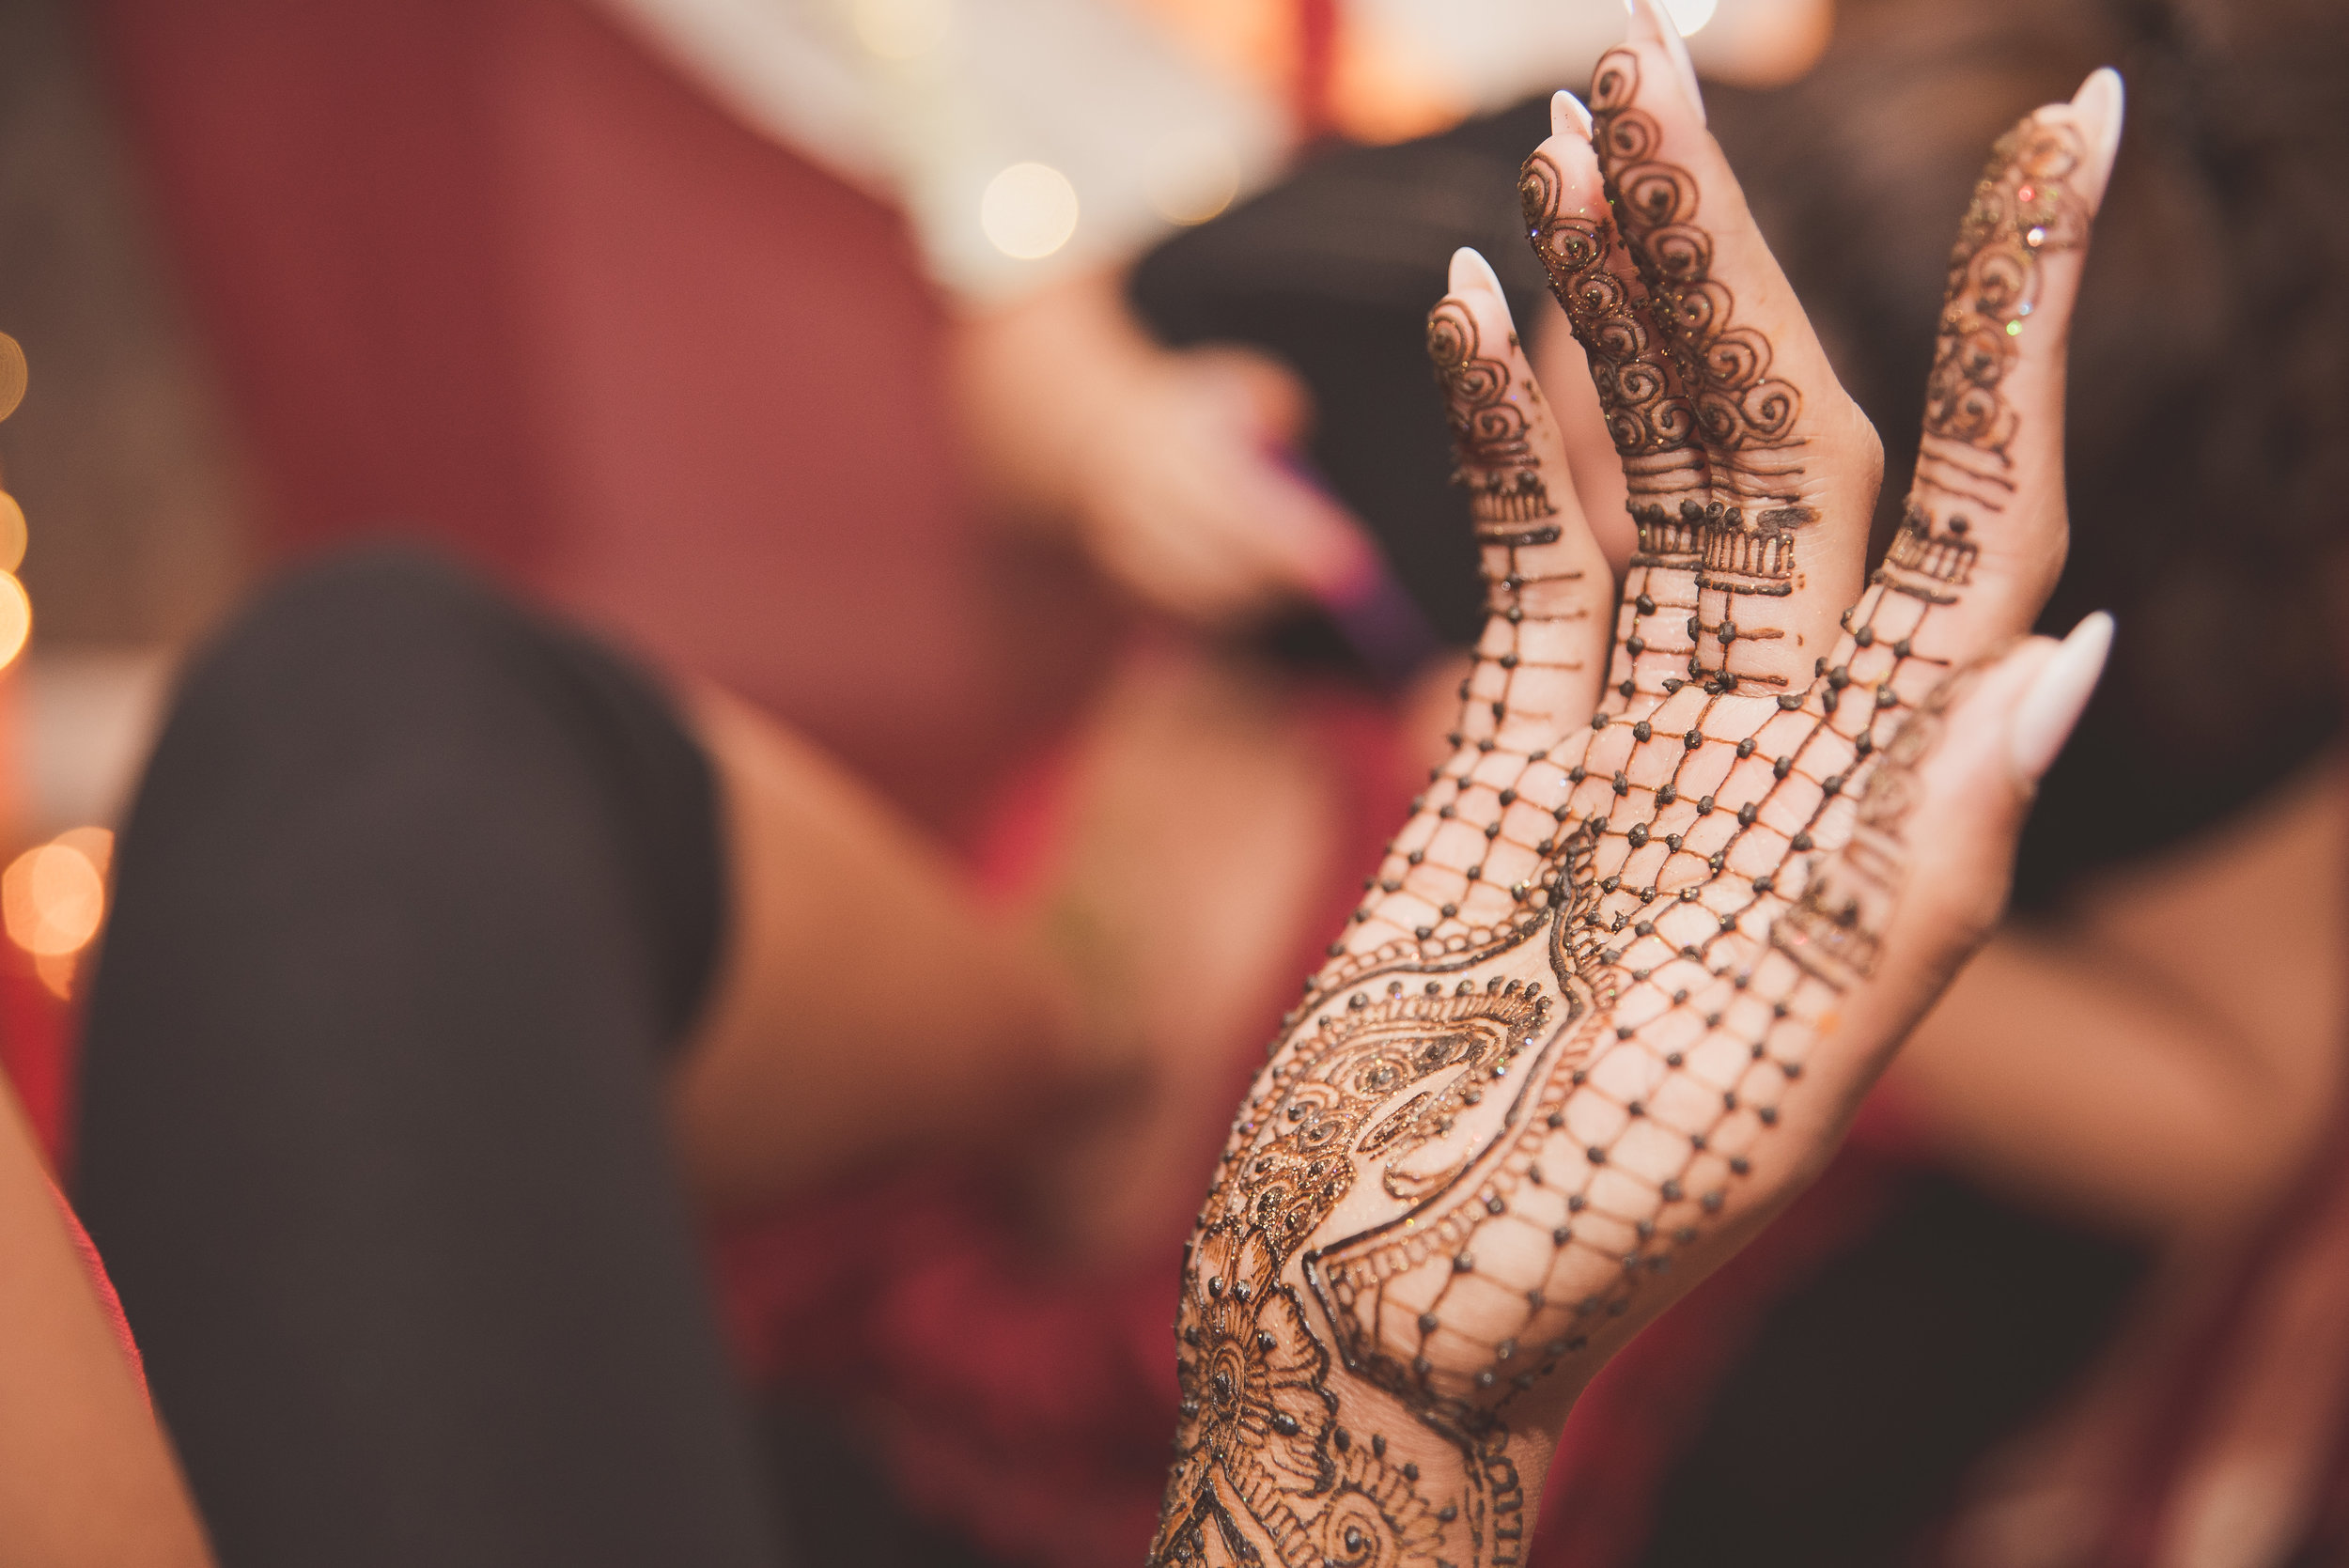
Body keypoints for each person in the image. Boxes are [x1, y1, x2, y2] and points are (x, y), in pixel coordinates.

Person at [46, 6, 2130, 1564]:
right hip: (874, 1303)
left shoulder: (1746, 891)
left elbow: (2213, 1103)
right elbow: (1043, 327)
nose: (1622, 428)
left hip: (1091, 1446)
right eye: (1634, 329)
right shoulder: (1386, 454)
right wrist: (1116, 443)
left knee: (367, 706)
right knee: (370, 688)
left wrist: (1374, 1404)